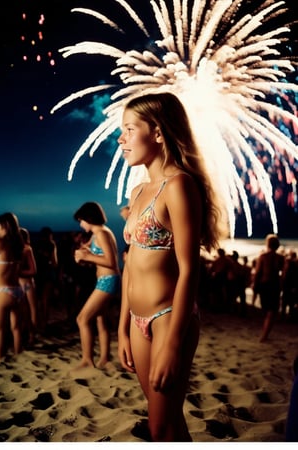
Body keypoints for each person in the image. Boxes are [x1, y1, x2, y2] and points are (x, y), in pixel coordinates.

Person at [117, 92, 225, 441]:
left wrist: (174, 343)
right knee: (167, 421)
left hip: (167, 319)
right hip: (136, 320)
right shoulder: (137, 193)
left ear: (158, 133)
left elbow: (189, 269)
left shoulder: (177, 186)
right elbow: (131, 265)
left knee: (160, 426)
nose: (121, 138)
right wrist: (122, 327)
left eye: (130, 129)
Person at [73, 202, 121, 369]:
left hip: (108, 281)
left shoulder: (101, 233)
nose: (80, 224)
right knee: (101, 320)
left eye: (81, 220)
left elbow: (112, 262)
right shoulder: (97, 234)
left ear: (88, 218)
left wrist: (86, 257)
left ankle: (87, 360)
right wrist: (85, 253)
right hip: (104, 280)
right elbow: (98, 254)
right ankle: (105, 358)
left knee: (82, 319)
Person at [0, 212, 25, 360]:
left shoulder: (0, 243)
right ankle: (18, 353)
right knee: (16, 328)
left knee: (0, 330)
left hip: (2, 292)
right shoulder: (18, 244)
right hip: (17, 290)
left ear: (4, 226)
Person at [253, 234, 285, 342]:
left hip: (264, 285)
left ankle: (264, 334)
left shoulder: (263, 257)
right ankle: (265, 334)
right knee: (272, 311)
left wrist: (255, 286)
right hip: (274, 285)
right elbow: (283, 274)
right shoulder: (281, 258)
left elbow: (257, 273)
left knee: (266, 310)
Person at [19, 227, 38, 345]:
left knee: (32, 309)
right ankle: (26, 333)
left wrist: (17, 272)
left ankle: (32, 335)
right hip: (19, 283)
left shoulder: (27, 249)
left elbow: (33, 270)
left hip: (26, 282)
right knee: (24, 310)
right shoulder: (14, 250)